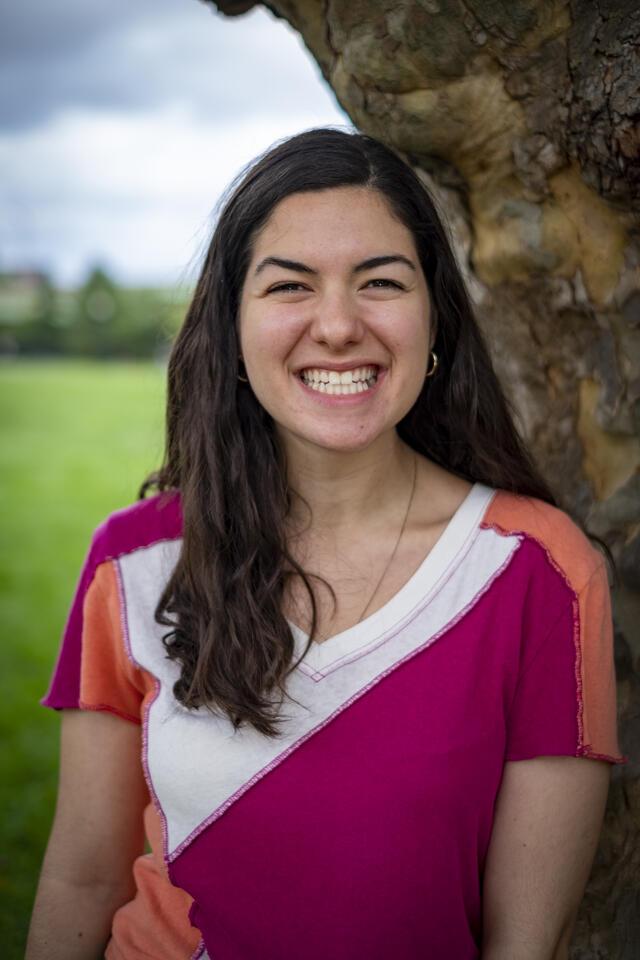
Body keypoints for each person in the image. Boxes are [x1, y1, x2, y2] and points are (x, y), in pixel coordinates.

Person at [27, 127, 626, 960]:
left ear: (435, 319)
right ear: (232, 326)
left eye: (380, 281)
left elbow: (528, 943)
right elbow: (83, 882)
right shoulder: (131, 562)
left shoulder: (540, 573)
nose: (338, 325)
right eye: (290, 286)